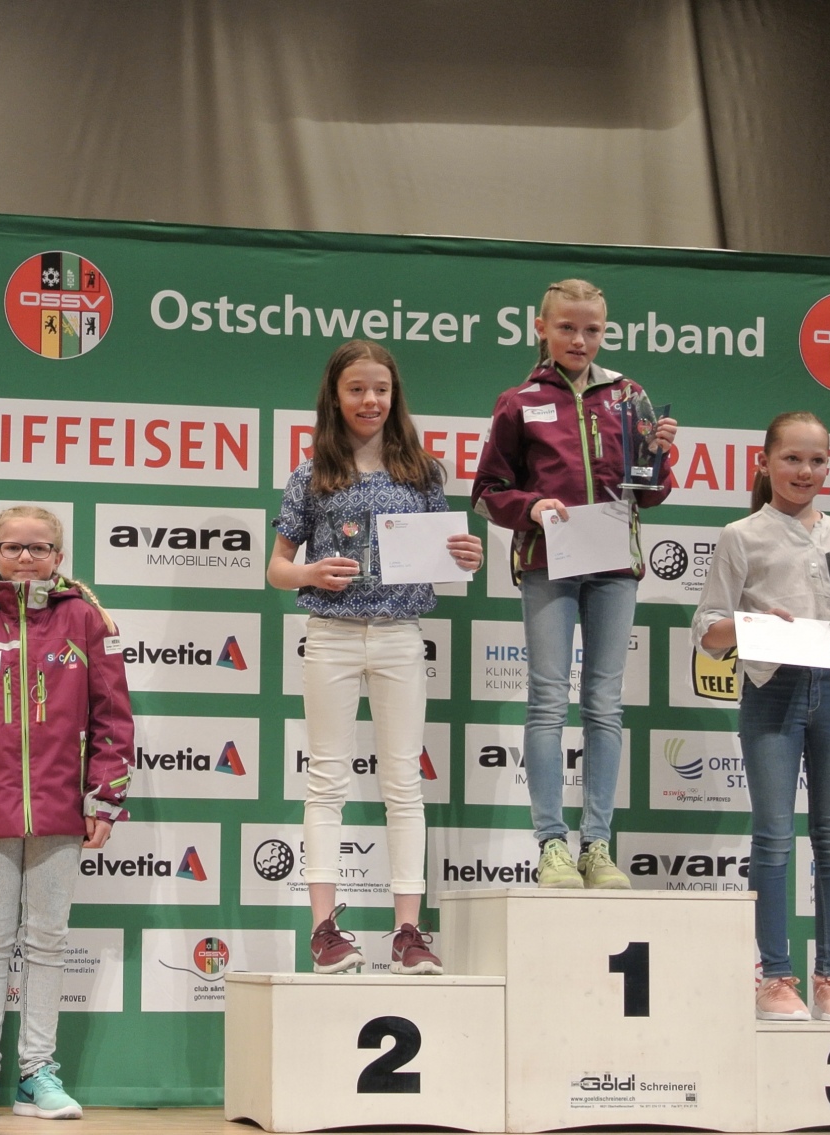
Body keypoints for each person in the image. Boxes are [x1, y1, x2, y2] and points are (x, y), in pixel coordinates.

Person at [269, 340, 484, 975]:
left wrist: (466, 556)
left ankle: (408, 932)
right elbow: (277, 568)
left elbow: (444, 554)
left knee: (403, 782)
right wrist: (310, 571)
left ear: (396, 395)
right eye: (357, 389)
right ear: (335, 396)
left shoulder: (423, 472)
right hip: (331, 636)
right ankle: (324, 930)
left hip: (399, 635)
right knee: (326, 779)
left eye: (381, 389)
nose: (371, 400)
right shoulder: (311, 474)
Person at [0, 506, 134, 1121]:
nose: (25, 558)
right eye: (13, 548)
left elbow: (113, 717)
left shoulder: (88, 622)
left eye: (39, 548)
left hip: (62, 806)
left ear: (58, 557)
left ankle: (37, 1074)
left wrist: (105, 796)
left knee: (47, 941)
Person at [472, 279, 677, 889]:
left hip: (614, 564)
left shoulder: (630, 396)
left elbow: (651, 494)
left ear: (604, 331)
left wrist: (658, 457)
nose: (580, 339)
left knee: (605, 705)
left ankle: (598, 845)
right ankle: (551, 846)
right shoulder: (518, 401)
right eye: (566, 327)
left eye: (592, 329)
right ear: (542, 328)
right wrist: (531, 507)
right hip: (547, 560)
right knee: (546, 700)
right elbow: (487, 492)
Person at [692, 412, 830, 1021]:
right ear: (765, 462)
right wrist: (752, 625)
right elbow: (708, 632)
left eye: (816, 460)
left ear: (829, 465)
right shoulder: (741, 535)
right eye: (792, 459)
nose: (805, 471)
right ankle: (776, 978)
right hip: (772, 689)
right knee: (773, 836)